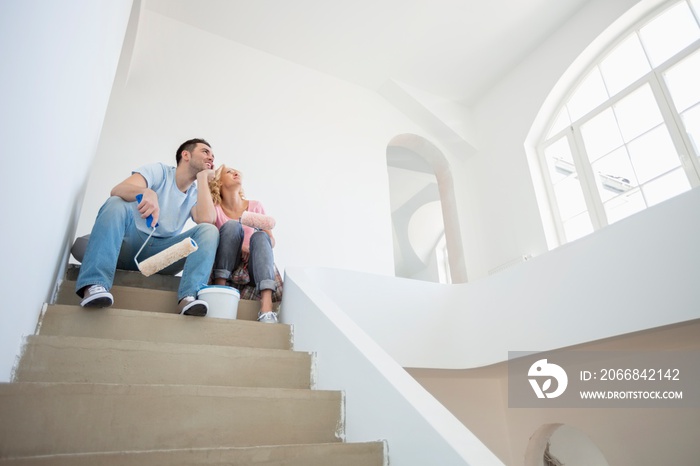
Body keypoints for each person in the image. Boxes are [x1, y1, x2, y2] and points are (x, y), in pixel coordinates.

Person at [75, 138, 220, 316]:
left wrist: (203, 178)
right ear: (186, 155)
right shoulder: (159, 171)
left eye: (213, 156)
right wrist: (146, 192)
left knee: (209, 231)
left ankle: (188, 298)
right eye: (205, 152)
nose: (211, 158)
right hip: (127, 246)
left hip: (161, 258)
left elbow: (207, 220)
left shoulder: (195, 194)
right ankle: (94, 285)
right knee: (116, 203)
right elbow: (118, 189)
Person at [208, 165, 279, 323]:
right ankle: (220, 289)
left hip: (252, 266)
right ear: (218, 182)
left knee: (261, 236)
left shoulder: (255, 206)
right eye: (228, 172)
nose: (235, 172)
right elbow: (211, 241)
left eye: (236, 171)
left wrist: (252, 248)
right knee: (232, 226)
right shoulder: (215, 209)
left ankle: (266, 309)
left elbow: (270, 241)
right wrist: (240, 247)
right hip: (227, 262)